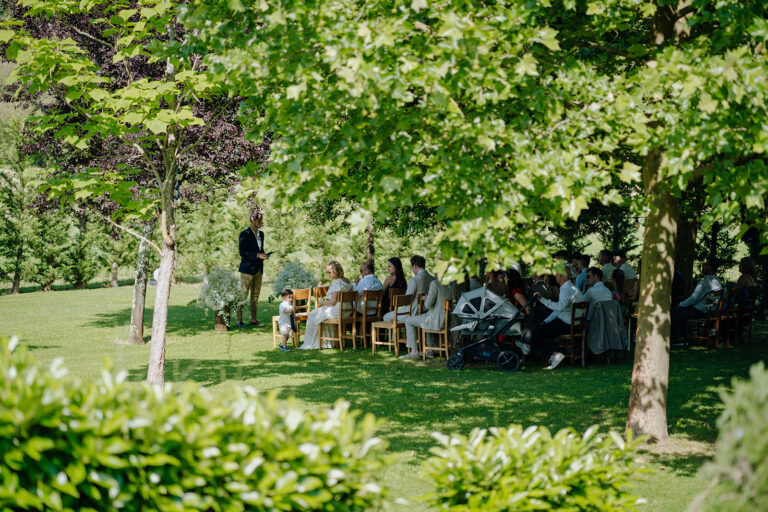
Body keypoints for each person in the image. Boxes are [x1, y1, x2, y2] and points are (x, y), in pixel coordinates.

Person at [517, 267, 583, 370]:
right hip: (574, 324)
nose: (555, 276)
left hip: (567, 325)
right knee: (541, 328)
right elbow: (559, 310)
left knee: (538, 332)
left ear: (561, 275)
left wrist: (542, 299)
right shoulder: (573, 287)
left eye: (556, 274)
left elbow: (559, 307)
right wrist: (546, 321)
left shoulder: (566, 289)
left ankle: (554, 354)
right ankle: (532, 348)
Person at [300, 261, 354, 350]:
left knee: (312, 314)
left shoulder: (337, 282)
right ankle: (328, 342)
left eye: (330, 272)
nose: (328, 275)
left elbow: (333, 302)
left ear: (336, 271)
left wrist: (322, 302)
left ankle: (313, 343)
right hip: (347, 311)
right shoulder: (348, 281)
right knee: (319, 313)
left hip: (337, 311)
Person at [401, 280, 460, 359]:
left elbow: (428, 305)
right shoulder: (452, 284)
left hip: (436, 319)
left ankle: (414, 352)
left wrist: (426, 298)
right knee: (424, 318)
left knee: (408, 320)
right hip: (446, 318)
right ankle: (429, 350)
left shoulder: (435, 283)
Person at [671, 260, 723, 344]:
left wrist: (681, 304)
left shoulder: (705, 282)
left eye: (704, 265)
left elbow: (693, 299)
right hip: (710, 310)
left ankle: (679, 338)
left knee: (674, 312)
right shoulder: (717, 281)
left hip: (700, 311)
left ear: (709, 267)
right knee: (680, 310)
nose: (702, 266)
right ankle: (682, 336)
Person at [237, 209, 269, 327]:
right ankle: (239, 320)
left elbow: (260, 250)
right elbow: (242, 252)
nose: (261, 222)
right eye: (259, 220)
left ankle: (253, 319)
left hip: (259, 269)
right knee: (243, 294)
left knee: (255, 296)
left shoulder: (261, 234)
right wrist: (256, 255)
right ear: (253, 220)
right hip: (247, 270)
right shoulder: (244, 234)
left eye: (261, 219)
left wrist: (264, 255)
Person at [382, 255, 435, 322]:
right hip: (426, 312)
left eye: (412, 267)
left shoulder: (414, 280)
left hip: (412, 312)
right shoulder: (433, 279)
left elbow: (406, 301)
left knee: (386, 317)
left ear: (415, 266)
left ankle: (394, 332)